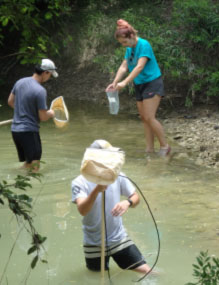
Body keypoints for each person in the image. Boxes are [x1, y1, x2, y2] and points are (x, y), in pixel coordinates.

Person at [71, 140, 151, 273]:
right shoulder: (79, 182)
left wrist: (127, 202)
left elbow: (136, 197)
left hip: (118, 238)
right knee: (96, 279)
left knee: (148, 272)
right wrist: (97, 189)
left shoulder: (118, 175)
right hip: (94, 242)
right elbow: (82, 210)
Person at [105, 19, 170, 156]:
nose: (123, 45)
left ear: (132, 36)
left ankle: (165, 146)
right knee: (143, 117)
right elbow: (124, 66)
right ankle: (149, 149)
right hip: (140, 84)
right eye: (121, 43)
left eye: (124, 42)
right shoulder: (130, 48)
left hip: (152, 82)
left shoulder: (144, 44)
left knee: (150, 117)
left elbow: (140, 66)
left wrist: (125, 82)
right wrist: (116, 81)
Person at [7, 58, 57, 172]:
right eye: (50, 75)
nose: (49, 78)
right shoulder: (40, 91)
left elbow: (10, 102)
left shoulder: (20, 82)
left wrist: (23, 110)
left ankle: (17, 179)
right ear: (45, 72)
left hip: (15, 131)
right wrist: (51, 113)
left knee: (28, 163)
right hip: (29, 131)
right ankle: (30, 187)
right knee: (35, 166)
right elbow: (43, 117)